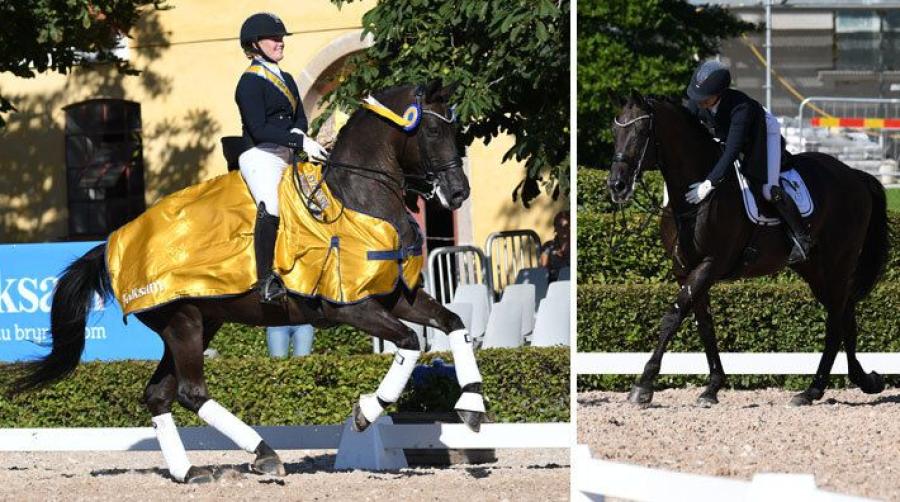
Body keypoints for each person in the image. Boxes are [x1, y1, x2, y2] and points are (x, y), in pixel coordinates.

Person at [235, 12, 329, 304]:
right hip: (260, 154)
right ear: (255, 44)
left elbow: (300, 116)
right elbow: (259, 128)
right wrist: (298, 140)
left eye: (281, 38)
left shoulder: (286, 78)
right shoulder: (249, 83)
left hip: (288, 151)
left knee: (322, 200)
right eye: (274, 39)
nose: (280, 43)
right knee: (272, 205)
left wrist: (302, 136)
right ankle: (265, 281)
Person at [684, 60, 811, 264]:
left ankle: (802, 238)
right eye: (697, 97)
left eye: (705, 99)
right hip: (728, 133)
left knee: (768, 189)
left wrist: (708, 184)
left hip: (762, 132)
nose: (700, 103)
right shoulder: (696, 101)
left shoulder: (741, 108)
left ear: (720, 93)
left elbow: (733, 150)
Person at [540, 210, 570, 282]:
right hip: (554, 283)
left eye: (567, 226)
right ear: (555, 228)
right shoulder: (548, 246)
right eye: (560, 226)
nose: (563, 229)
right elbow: (543, 271)